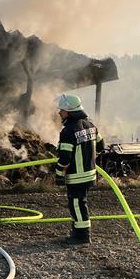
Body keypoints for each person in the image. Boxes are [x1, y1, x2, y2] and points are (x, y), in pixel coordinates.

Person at [55, 94, 105, 245]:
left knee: (76, 204)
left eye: (61, 110)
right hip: (90, 174)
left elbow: (65, 158)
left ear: (69, 111)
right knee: (80, 202)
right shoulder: (90, 126)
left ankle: (82, 235)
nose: (59, 113)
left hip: (77, 176)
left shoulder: (68, 131)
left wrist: (58, 174)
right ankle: (78, 231)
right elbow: (101, 146)